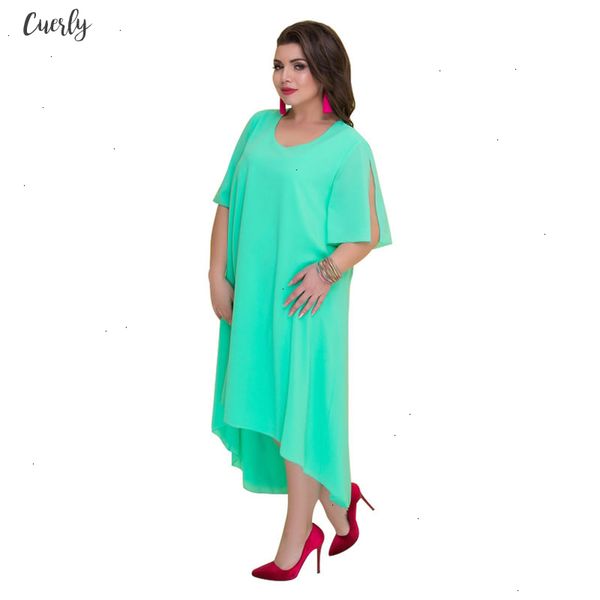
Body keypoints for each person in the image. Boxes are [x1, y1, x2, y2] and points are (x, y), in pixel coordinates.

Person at [208, 20, 392, 580]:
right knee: (272, 402)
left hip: (308, 302)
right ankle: (338, 503)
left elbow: (364, 234)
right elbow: (227, 203)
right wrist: (217, 275)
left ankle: (296, 539)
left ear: (324, 70)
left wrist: (327, 272)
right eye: (278, 65)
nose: (284, 77)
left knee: (301, 411)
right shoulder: (258, 127)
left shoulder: (348, 148)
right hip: (254, 296)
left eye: (298, 66)